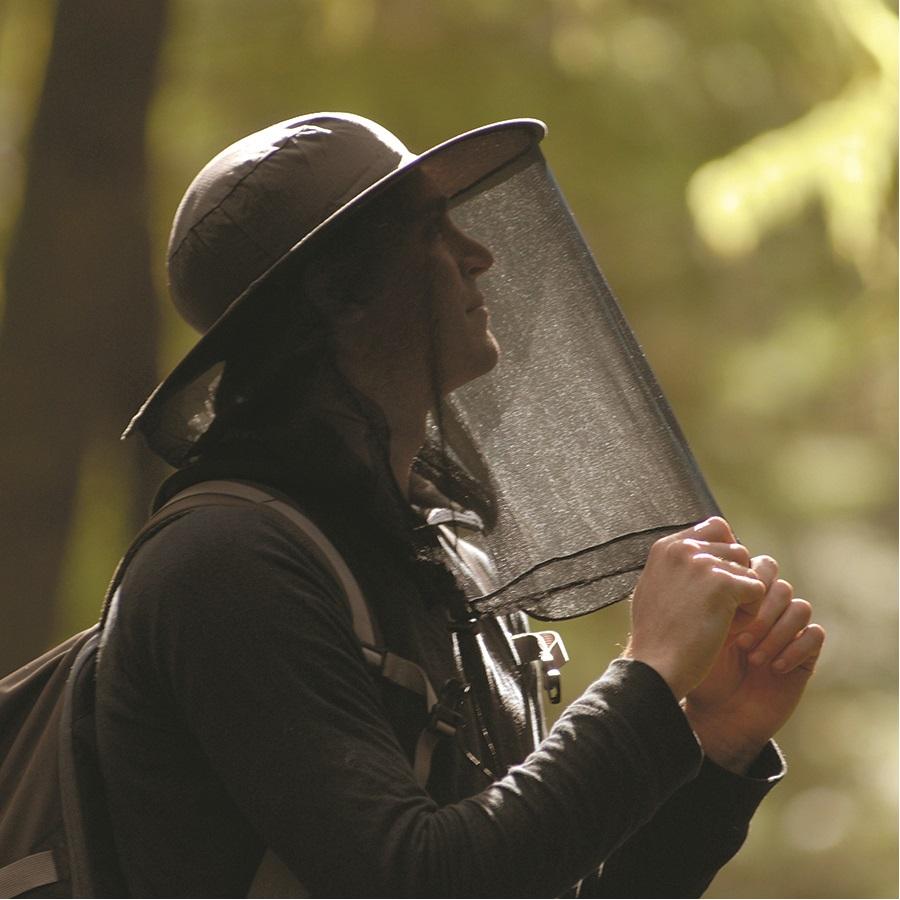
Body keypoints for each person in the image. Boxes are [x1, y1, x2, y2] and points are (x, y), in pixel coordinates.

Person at [96, 113, 825, 897]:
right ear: (340, 293)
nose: (480, 256)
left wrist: (713, 746)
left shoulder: (430, 559)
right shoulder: (222, 563)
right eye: (432, 234)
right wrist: (646, 675)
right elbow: (418, 880)